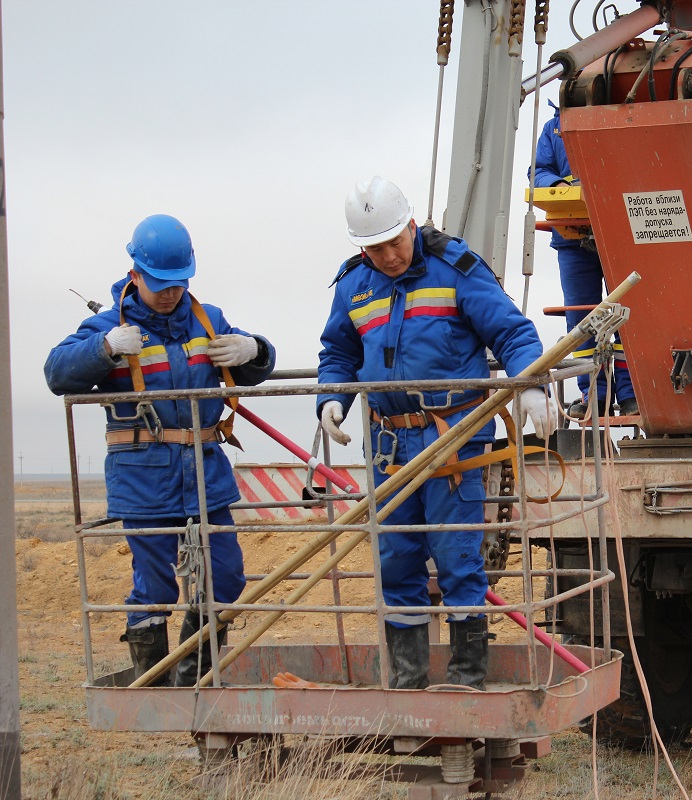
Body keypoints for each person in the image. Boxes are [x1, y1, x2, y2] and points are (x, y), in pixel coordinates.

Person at [318, 177, 552, 690]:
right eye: (374, 249)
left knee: (457, 557)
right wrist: (332, 397)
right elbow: (338, 351)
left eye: (394, 242)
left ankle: (466, 683)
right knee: (396, 559)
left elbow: (511, 332)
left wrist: (531, 384)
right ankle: (408, 684)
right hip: (388, 445)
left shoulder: (455, 269)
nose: (388, 256)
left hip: (452, 440)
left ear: (410, 225)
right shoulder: (355, 285)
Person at [45, 214, 276, 686]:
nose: (170, 293)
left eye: (178, 282)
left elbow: (250, 370)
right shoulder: (107, 326)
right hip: (143, 476)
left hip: (205, 473)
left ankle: (195, 679)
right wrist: (104, 349)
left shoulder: (208, 320)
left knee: (226, 576)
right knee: (153, 584)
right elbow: (56, 373)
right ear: (135, 275)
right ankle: (152, 688)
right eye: (159, 284)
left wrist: (255, 350)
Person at [533, 101, 637, 418]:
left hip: (621, 232)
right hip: (572, 238)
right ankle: (593, 395)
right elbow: (538, 171)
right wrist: (559, 186)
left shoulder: (622, 117)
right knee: (582, 321)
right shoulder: (553, 128)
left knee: (630, 316)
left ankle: (633, 394)